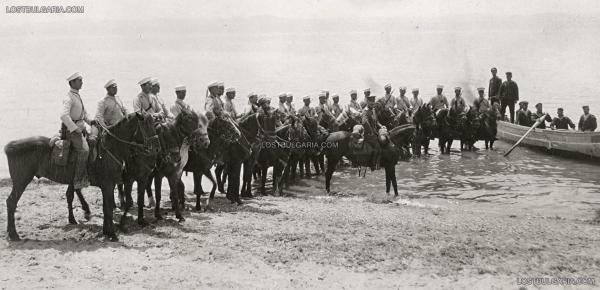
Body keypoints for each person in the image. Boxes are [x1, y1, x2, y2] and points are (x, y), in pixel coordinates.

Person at [61, 72, 91, 189]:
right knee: (85, 150)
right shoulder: (68, 97)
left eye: (81, 80)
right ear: (72, 83)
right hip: (72, 131)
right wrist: (74, 128)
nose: (82, 82)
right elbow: (64, 115)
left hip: (81, 127)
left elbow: (83, 114)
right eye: (79, 80)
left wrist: (92, 122)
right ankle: (78, 180)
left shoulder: (77, 95)